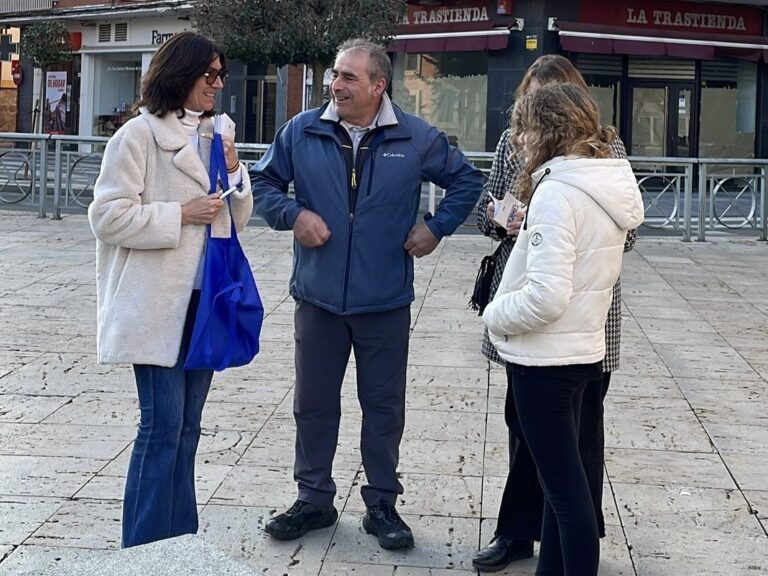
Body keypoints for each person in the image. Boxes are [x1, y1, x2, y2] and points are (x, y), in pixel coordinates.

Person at [251, 38, 482, 550]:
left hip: (385, 301)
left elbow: (467, 181)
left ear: (379, 85)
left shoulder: (415, 137)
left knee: (383, 408)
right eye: (335, 74)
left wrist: (436, 227)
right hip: (318, 299)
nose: (336, 85)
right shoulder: (302, 130)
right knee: (313, 404)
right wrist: (293, 215)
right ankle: (313, 498)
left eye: (349, 77)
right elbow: (262, 183)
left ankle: (381, 504)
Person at [87, 32, 253, 548]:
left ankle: (181, 543)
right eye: (210, 74)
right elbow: (106, 217)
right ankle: (141, 549)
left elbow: (236, 219)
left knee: (189, 428)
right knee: (161, 428)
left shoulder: (215, 134)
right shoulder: (137, 136)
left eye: (222, 74)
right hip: (156, 303)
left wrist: (234, 168)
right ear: (180, 74)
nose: (218, 84)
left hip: (206, 300)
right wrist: (178, 214)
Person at [473, 55, 637, 572]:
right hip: (569, 328)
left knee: (571, 471)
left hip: (557, 327)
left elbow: (550, 292)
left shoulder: (587, 169)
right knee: (540, 451)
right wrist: (506, 222)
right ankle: (522, 534)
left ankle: (573, 545)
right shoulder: (548, 163)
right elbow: (488, 209)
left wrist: (495, 314)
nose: (518, 135)